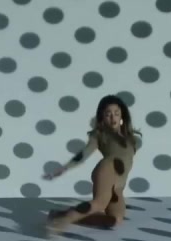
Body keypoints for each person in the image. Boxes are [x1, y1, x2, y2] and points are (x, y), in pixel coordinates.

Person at [43, 94, 141, 232]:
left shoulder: (132, 138)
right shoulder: (100, 134)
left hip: (118, 185)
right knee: (99, 203)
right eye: (108, 114)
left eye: (116, 113)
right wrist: (65, 168)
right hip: (108, 170)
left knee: (115, 220)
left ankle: (60, 215)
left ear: (122, 115)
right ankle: (61, 222)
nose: (113, 117)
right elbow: (84, 153)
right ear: (102, 117)